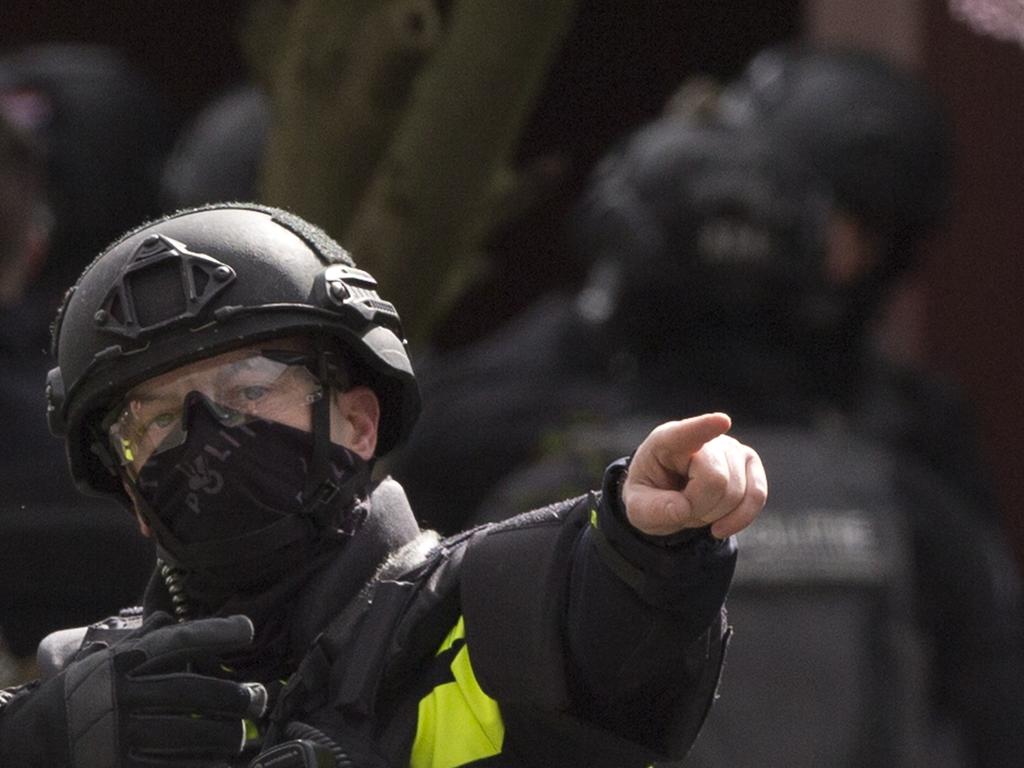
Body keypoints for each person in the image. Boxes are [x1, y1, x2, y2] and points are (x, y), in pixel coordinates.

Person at [0, 202, 767, 767]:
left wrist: (648, 546)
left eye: (247, 388)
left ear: (360, 422)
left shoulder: (490, 612)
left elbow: (609, 613)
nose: (205, 439)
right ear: (130, 491)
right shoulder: (84, 688)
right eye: (156, 418)